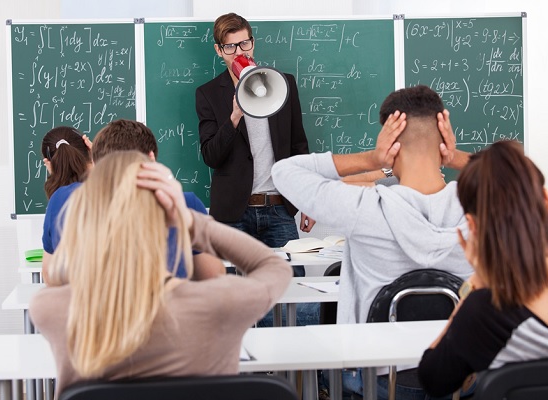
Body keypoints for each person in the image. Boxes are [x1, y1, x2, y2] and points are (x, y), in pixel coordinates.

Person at [30, 151, 292, 398]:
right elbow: (275, 267)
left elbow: (58, 271)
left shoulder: (52, 310)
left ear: (88, 218)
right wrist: (189, 220)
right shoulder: (219, 303)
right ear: (165, 221)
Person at [272, 85, 473, 399]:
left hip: (377, 380)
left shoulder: (363, 208)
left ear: (391, 145)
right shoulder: (480, 208)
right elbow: (527, 179)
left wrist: (373, 158)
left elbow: (283, 171)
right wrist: (455, 156)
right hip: (460, 377)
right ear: (443, 138)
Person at [417, 140, 548, 398]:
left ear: (472, 224)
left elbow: (433, 379)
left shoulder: (482, 312)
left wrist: (479, 282)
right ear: (546, 200)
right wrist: (546, 254)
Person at [195, 12, 315, 278]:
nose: (239, 52)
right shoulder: (208, 94)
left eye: (244, 43)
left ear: (253, 42)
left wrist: (308, 199)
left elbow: (299, 147)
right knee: (238, 301)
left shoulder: (283, 84)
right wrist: (234, 116)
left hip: (279, 209)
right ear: (219, 50)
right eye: (230, 47)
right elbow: (211, 156)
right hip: (233, 216)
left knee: (294, 291)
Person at [41, 119, 224, 282]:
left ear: (97, 162)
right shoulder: (184, 204)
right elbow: (214, 275)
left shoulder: (62, 199)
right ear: (151, 157)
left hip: (93, 319)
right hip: (167, 315)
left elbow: (51, 276)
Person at [41, 126, 92, 267]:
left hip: (76, 287)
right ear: (89, 150)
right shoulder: (113, 187)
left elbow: (48, 271)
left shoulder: (57, 200)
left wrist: (58, 175)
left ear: (49, 163)